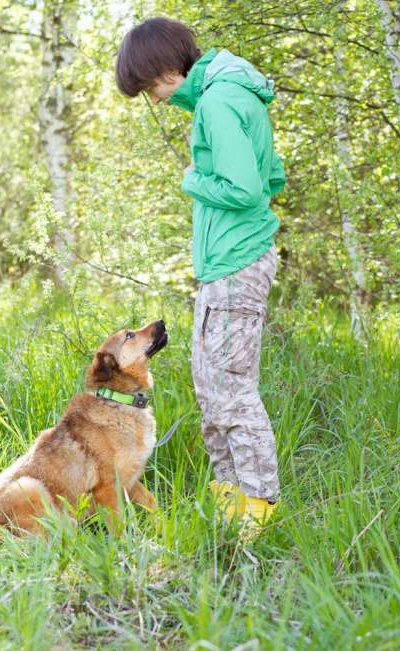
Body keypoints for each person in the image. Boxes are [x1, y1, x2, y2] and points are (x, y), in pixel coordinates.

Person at [115, 17, 285, 536]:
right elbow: (273, 175)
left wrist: (194, 180)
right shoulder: (230, 95)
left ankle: (258, 507)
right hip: (230, 262)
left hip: (236, 262)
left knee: (230, 389)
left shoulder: (217, 102)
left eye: (149, 87)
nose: (154, 100)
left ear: (166, 68)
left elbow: (246, 189)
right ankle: (229, 499)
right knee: (212, 387)